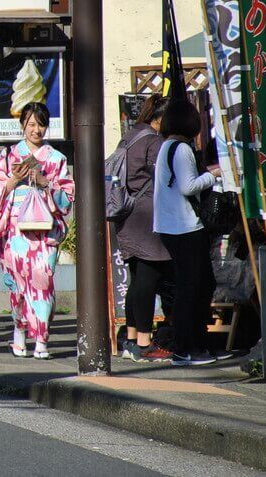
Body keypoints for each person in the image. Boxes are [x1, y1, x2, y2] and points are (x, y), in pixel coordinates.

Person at [0, 102, 74, 360]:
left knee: (42, 281)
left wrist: (46, 183)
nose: (36, 130)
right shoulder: (7, 156)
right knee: (19, 284)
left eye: (41, 124)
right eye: (31, 124)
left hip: (45, 230)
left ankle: (41, 340)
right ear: (22, 124)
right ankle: (19, 330)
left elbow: (67, 197)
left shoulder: (56, 159)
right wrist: (12, 182)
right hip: (16, 228)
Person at [153, 97, 223, 367]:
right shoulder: (181, 148)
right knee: (192, 286)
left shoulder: (166, 146)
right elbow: (188, 186)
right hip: (184, 225)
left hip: (171, 225)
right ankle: (186, 348)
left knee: (198, 284)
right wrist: (213, 174)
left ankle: (197, 343)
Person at [114, 94, 175, 363]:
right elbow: (166, 178)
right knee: (147, 281)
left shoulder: (129, 136)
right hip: (147, 216)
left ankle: (130, 340)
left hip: (126, 214)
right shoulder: (154, 141)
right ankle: (144, 342)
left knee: (137, 279)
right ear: (161, 119)